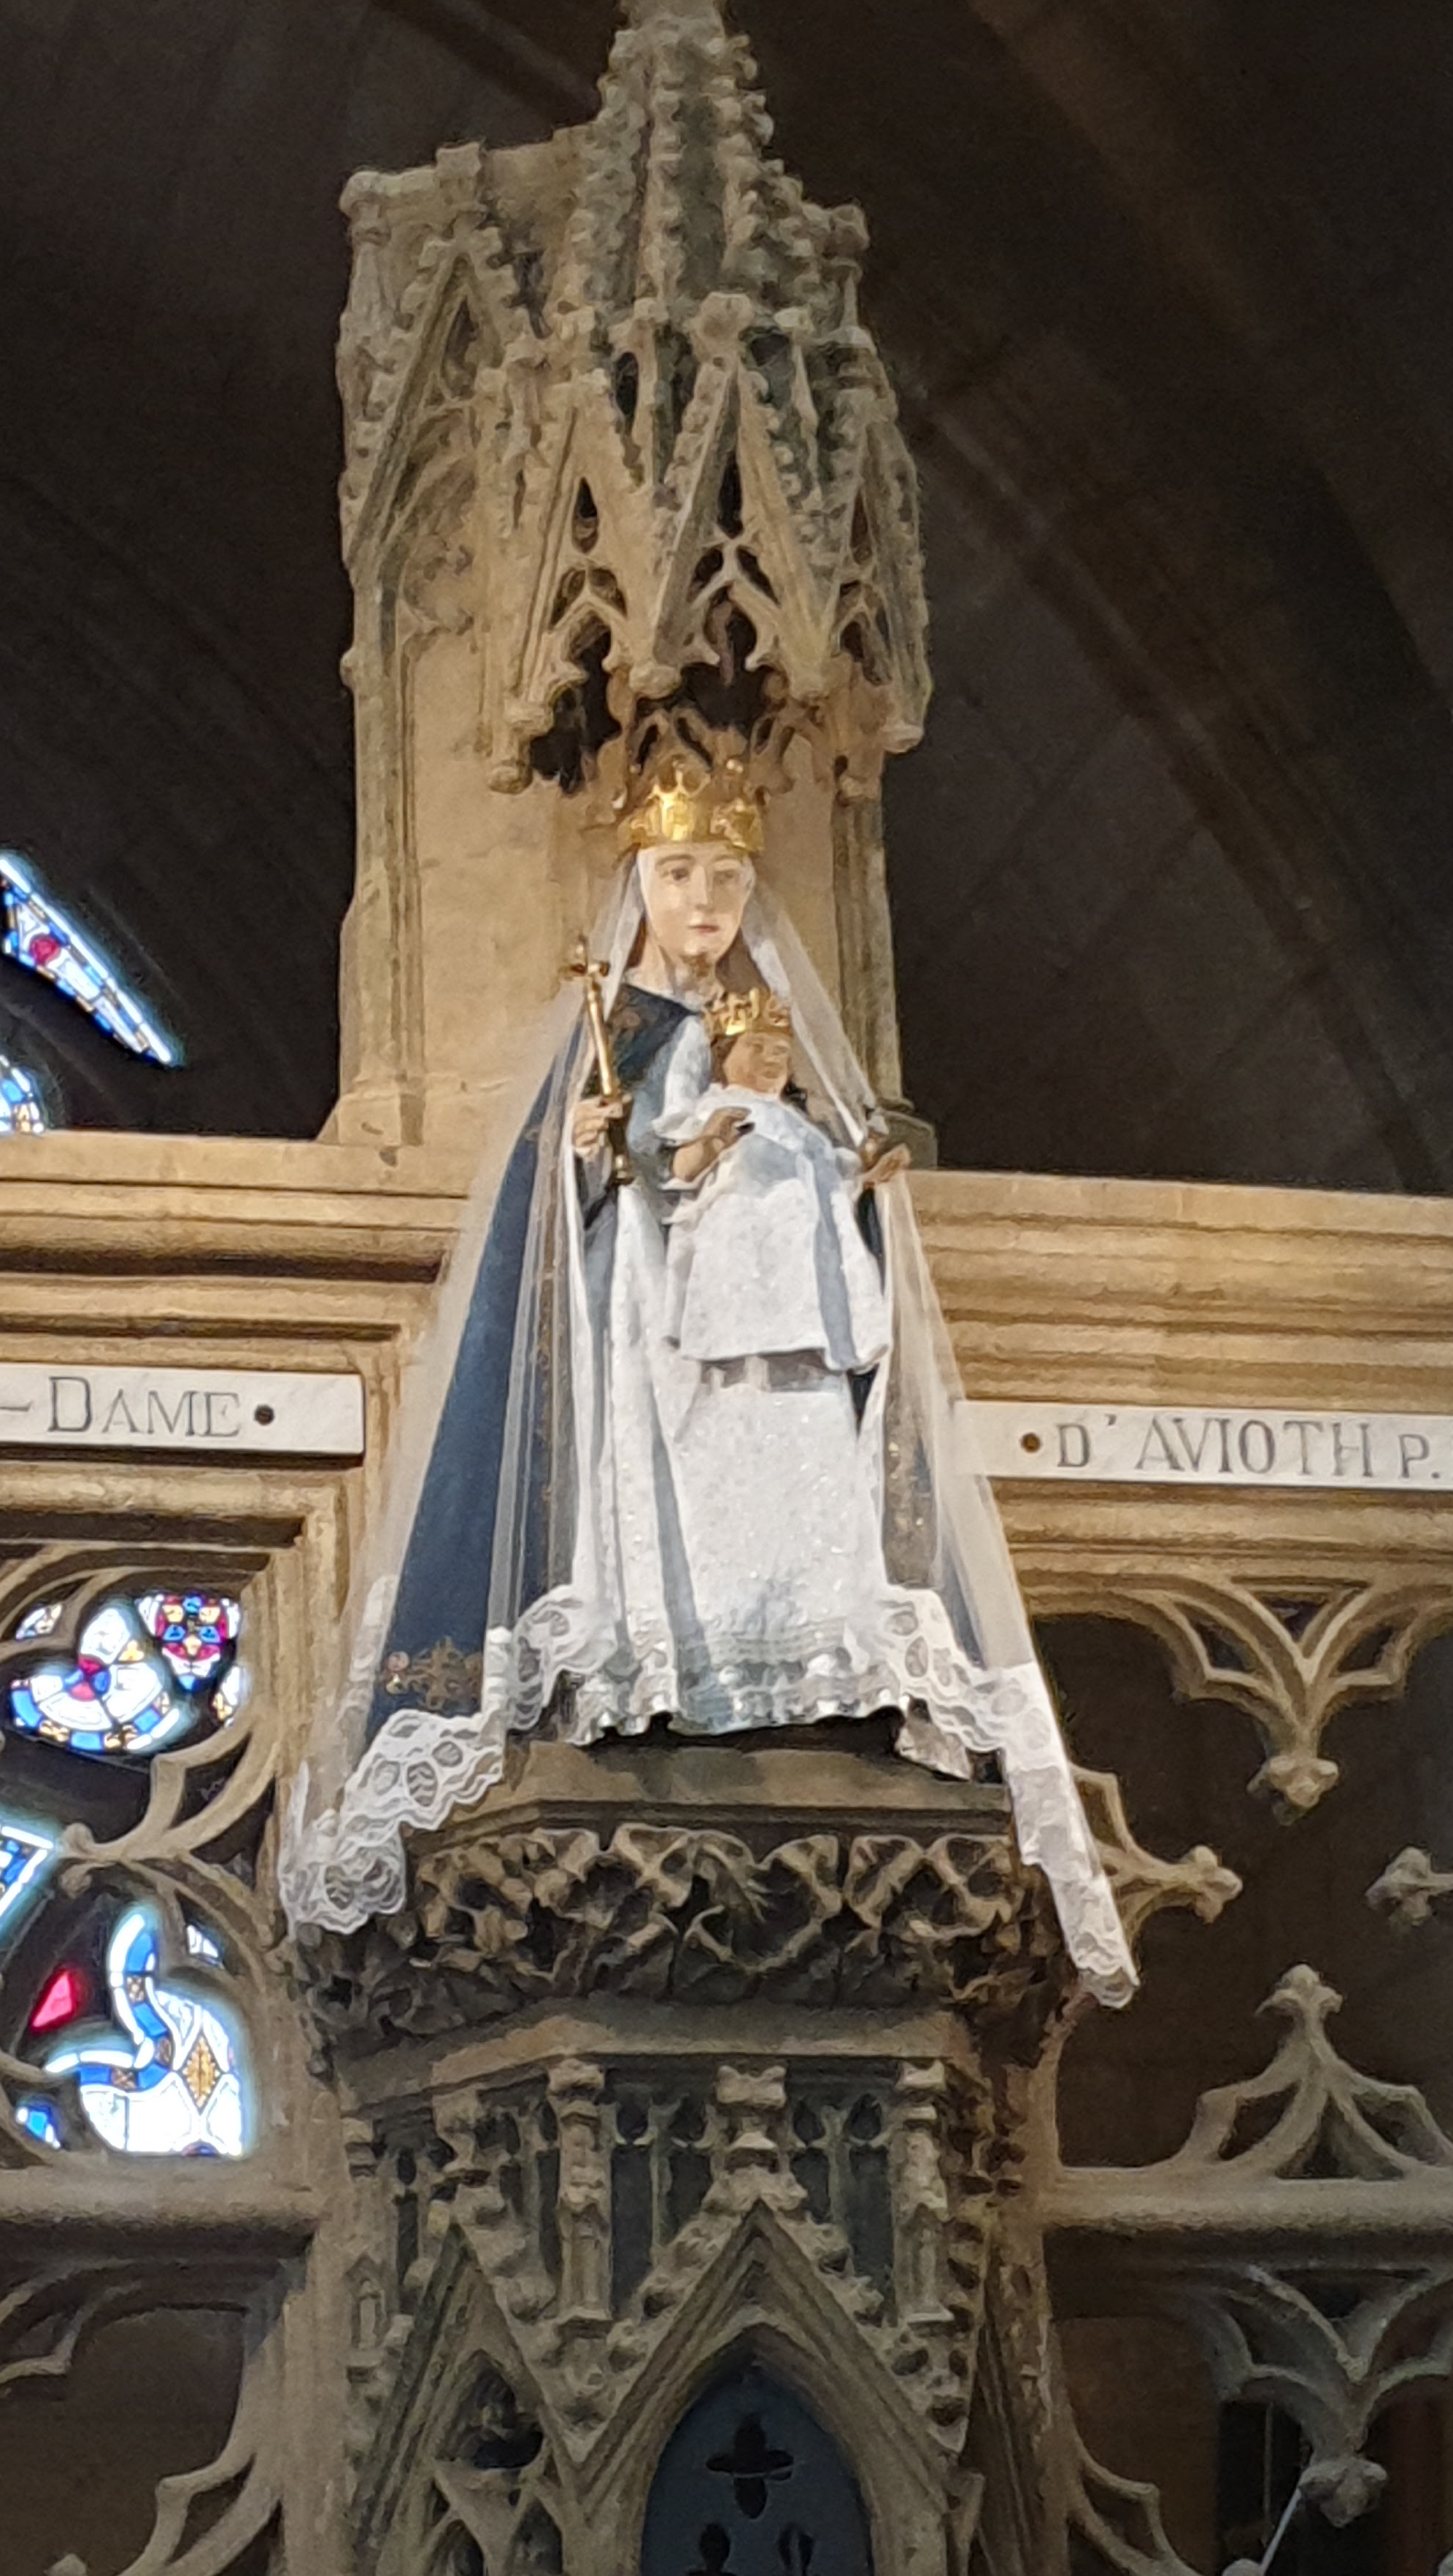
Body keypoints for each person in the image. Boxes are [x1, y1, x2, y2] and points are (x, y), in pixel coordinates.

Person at [280, 754, 1135, 2008]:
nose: (704, 901)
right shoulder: (609, 1027)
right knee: (661, 1493)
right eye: (679, 874)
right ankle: (651, 1667)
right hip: (649, 1333)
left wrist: (854, 1188)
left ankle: (794, 1674)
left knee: (785, 1485)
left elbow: (824, 1179)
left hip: (774, 1342)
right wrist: (584, 1158)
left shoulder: (768, 1037)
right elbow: (541, 1229)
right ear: (639, 884)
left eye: (726, 877)